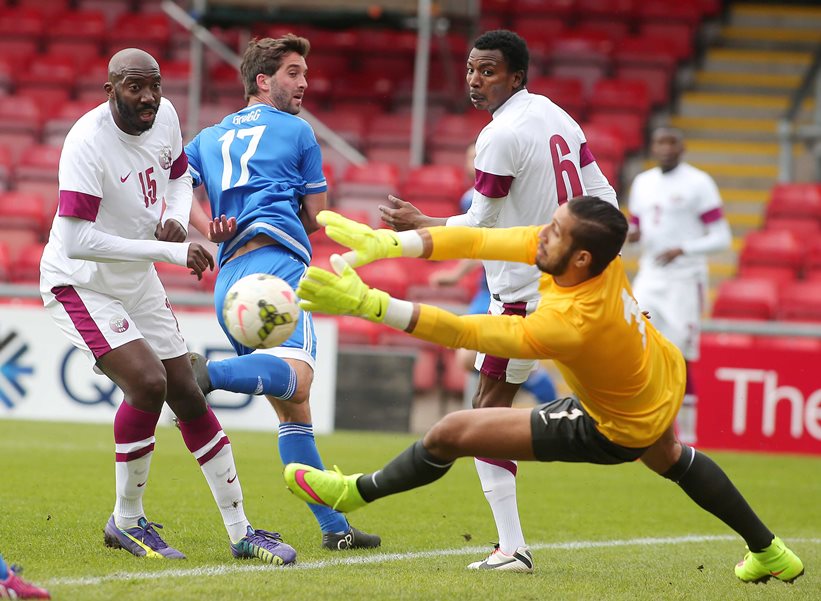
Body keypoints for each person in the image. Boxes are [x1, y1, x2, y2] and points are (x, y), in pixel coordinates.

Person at [284, 201, 804, 584]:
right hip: (658, 374)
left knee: (452, 432)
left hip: (619, 422)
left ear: (579, 258)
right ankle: (770, 550)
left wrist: (371, 304)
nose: (540, 238)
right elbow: (483, 241)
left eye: (552, 233)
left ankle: (355, 491)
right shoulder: (595, 257)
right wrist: (394, 244)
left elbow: (464, 333)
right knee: (670, 456)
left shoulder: (570, 324)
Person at [39, 48, 296, 565]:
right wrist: (170, 250)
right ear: (110, 89)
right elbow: (76, 241)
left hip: (136, 278)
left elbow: (180, 177)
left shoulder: (165, 117)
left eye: (154, 85)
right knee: (149, 382)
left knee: (187, 390)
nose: (149, 98)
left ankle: (242, 531)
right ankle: (127, 521)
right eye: (135, 87)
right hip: (81, 283)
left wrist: (177, 217)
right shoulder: (87, 142)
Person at [379, 29, 617, 571]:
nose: (474, 79)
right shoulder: (559, 117)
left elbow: (479, 226)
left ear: (516, 75)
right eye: (469, 69)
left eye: (487, 70)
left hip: (521, 297)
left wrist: (423, 226)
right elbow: (605, 200)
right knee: (637, 427)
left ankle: (512, 547)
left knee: (486, 413)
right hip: (578, 291)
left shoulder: (500, 135)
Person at [184, 35, 380, 551]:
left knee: (294, 412)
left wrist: (206, 227)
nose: (304, 83)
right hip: (276, 268)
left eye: (305, 72)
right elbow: (315, 216)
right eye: (294, 72)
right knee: (299, 378)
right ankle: (206, 373)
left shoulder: (207, 137)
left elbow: (170, 185)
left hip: (229, 281)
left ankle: (334, 529)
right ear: (263, 81)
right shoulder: (297, 130)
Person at [430, 143, 556, 406]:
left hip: (516, 287)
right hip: (487, 289)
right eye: (468, 157)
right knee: (468, 357)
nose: (472, 162)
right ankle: (529, 385)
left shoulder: (515, 193)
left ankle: (537, 394)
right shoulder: (469, 198)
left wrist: (454, 274)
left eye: (477, 156)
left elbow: (486, 240)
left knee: (471, 356)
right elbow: (478, 241)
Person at [627, 127, 732, 445]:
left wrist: (683, 249)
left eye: (671, 142)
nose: (665, 148)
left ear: (682, 147)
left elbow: (722, 238)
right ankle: (645, 426)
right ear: (653, 146)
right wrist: (632, 236)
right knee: (638, 344)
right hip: (650, 274)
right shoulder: (642, 183)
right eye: (660, 141)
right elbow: (637, 228)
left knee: (678, 354)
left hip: (685, 279)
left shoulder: (698, 183)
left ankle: (687, 436)